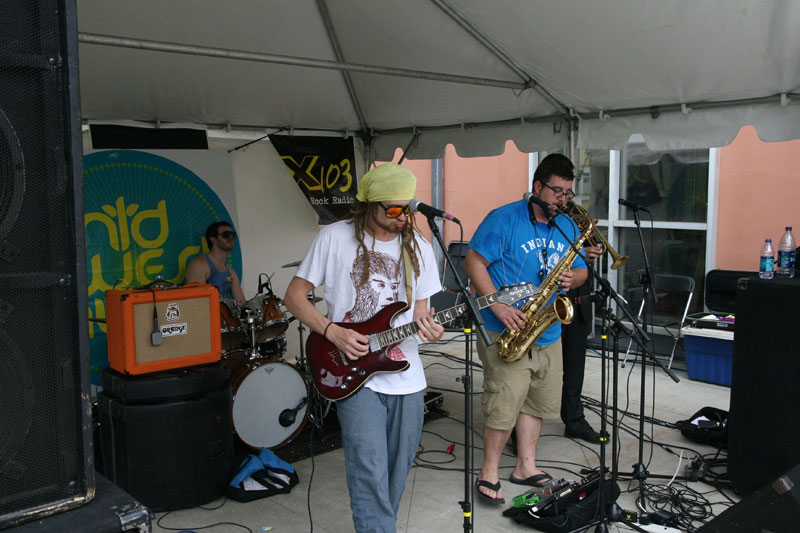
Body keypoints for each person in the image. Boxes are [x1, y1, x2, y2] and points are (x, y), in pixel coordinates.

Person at [284, 163, 444, 532]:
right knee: (368, 467)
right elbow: (294, 297)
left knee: (397, 469)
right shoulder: (335, 238)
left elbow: (419, 314)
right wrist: (332, 331)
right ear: (368, 205)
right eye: (392, 209)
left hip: (406, 373)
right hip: (353, 371)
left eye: (407, 208)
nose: (401, 216)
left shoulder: (418, 246)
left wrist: (430, 329)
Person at [464, 153, 589, 504]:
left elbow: (582, 272)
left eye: (568, 193)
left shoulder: (568, 225)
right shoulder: (503, 219)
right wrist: (497, 304)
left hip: (547, 331)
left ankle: (526, 466)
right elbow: (474, 260)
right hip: (506, 329)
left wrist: (574, 277)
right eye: (557, 192)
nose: (563, 200)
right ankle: (489, 471)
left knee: (535, 403)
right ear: (538, 187)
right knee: (504, 403)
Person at [561, 269, 604, 444]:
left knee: (575, 369)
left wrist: (585, 265)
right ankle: (520, 432)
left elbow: (590, 275)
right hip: (548, 304)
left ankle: (574, 421)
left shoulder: (584, 241)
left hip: (579, 304)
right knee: (535, 370)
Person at [186, 221, 246, 305]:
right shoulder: (199, 265)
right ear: (213, 239)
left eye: (233, 235)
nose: (231, 238)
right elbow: (198, 303)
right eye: (226, 235)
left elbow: (241, 302)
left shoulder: (231, 272)